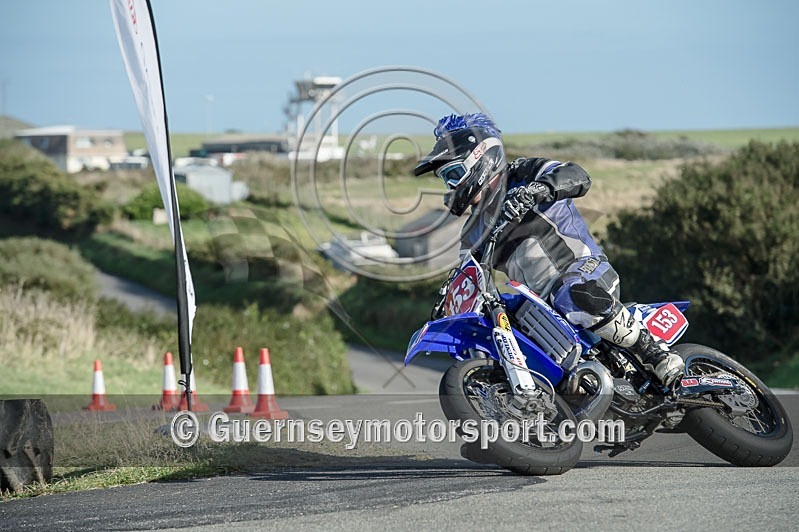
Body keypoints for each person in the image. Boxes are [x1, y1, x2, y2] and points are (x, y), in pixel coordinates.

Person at [413, 112, 684, 385]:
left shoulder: (523, 174)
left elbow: (578, 176)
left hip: (584, 270)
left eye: (454, 174)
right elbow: (470, 276)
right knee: (507, 324)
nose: (453, 186)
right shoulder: (472, 233)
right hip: (542, 306)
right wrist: (448, 305)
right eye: (447, 180)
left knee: (571, 293)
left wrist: (538, 190)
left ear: (481, 157)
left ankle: (654, 353)